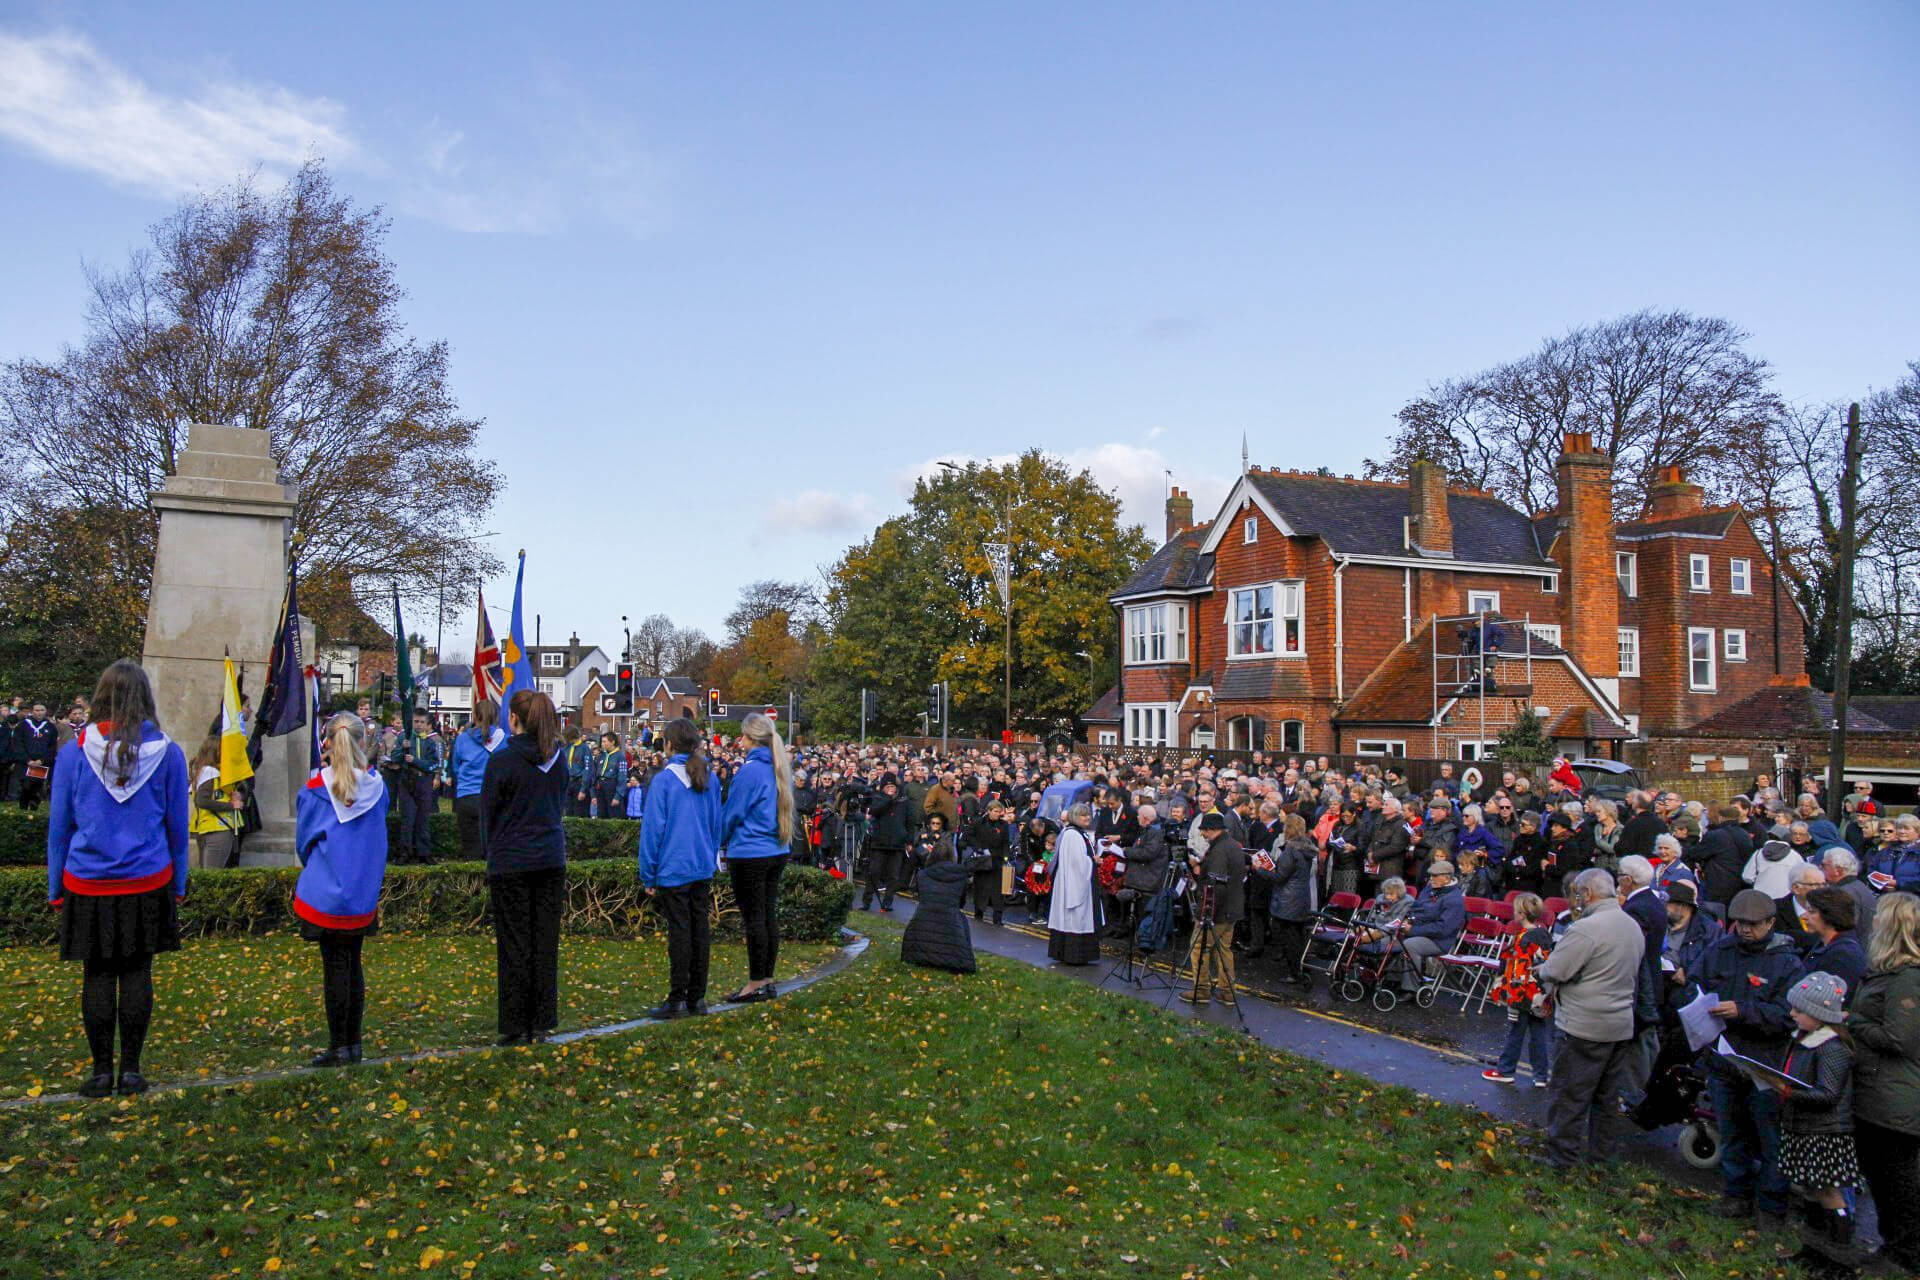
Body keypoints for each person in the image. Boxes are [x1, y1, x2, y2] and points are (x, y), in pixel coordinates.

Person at [45, 662, 189, 1098]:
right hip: (147, 877)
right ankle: (131, 1071)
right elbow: (177, 827)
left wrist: (55, 886)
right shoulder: (168, 753)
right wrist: (179, 882)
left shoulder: (74, 752)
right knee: (138, 972)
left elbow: (59, 827)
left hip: (88, 879)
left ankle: (100, 1072)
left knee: (97, 975)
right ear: (145, 696)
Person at [1698, 888, 1804, 1224]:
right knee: (1732, 1133)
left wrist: (1743, 1011)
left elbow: (1789, 1016)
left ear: (1770, 923)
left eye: (1753, 924)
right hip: (1724, 1060)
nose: (1744, 929)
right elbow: (1695, 983)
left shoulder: (1787, 962)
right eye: (1740, 923)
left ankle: (1771, 1207)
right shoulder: (1720, 950)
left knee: (1770, 1139)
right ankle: (1736, 1196)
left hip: (1764, 1064)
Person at [294, 713, 390, 1068]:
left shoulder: (314, 790)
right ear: (362, 742)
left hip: (326, 894)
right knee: (353, 965)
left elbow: (303, 842)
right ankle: (354, 1043)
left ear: (329, 744)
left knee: (334, 968)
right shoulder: (378, 788)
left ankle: (338, 1046)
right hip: (362, 892)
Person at [1531, 868, 1643, 1169]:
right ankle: (1600, 1159)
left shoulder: (1585, 929)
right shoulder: (1631, 925)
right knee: (1606, 1099)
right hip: (1619, 1023)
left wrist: (1540, 970)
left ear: (1587, 894)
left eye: (1576, 893)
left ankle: (1561, 1158)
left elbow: (1556, 970)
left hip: (1584, 1024)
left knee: (1569, 1095)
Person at [481, 689, 569, 1046]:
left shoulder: (503, 761)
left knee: (515, 943)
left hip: (512, 860)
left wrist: (492, 851)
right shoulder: (558, 760)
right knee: (544, 942)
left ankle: (516, 1023)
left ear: (514, 719)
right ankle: (541, 1021)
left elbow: (489, 814)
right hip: (549, 858)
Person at [1848, 892, 1920, 1275]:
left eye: (1879, 916)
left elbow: (1898, 1038)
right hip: (1878, 1092)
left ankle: (1904, 1256)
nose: (1872, 920)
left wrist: (1853, 1022)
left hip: (1895, 1100)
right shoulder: (1887, 973)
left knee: (1898, 1183)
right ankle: (1893, 1249)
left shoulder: (1908, 979)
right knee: (1882, 1178)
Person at [1774, 972, 1860, 1272]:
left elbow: (1828, 1094)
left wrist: (1788, 1092)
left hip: (1824, 1133)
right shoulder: (1804, 1039)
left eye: (1799, 1010)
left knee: (1828, 1192)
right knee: (1812, 1190)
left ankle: (1839, 1258)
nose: (1792, 1013)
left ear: (1819, 1014)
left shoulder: (1832, 1047)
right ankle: (1812, 1251)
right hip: (1803, 1127)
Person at [638, 717, 722, 1019]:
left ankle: (677, 998)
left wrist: (648, 872)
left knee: (680, 934)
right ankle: (697, 998)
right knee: (700, 931)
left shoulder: (664, 780)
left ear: (669, 744)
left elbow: (653, 830)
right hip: (701, 865)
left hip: (674, 867)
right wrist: (711, 856)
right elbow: (717, 823)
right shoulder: (710, 777)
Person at [718, 712, 791, 1005]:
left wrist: (716, 841)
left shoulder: (750, 771)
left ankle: (756, 981)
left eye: (742, 735)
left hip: (750, 851)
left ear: (750, 738)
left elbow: (733, 813)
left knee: (755, 919)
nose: (739, 740)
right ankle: (767, 978)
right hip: (776, 850)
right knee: (768, 915)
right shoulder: (777, 766)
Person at [1483, 892, 1554, 1087]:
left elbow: (1518, 971)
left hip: (1522, 993)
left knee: (1516, 1032)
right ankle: (1540, 1075)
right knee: (1538, 1033)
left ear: (1522, 914)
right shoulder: (1544, 934)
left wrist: (1507, 993)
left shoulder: (1523, 939)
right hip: (1539, 992)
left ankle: (1505, 1070)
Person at [1180, 811, 1247, 1002]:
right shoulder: (1233, 845)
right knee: (1224, 949)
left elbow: (1215, 885)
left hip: (1217, 910)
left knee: (1199, 947)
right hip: (1233, 907)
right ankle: (1227, 991)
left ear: (1212, 829)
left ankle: (1201, 989)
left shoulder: (1218, 851)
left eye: (1204, 831)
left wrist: (1205, 914)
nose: (1202, 835)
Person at [899, 825, 977, 974]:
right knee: (961, 919)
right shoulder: (961, 876)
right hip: (951, 926)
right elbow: (960, 903)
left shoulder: (923, 874)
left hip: (922, 925)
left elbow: (922, 896)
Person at [1255, 813, 1316, 988]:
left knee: (1288, 938)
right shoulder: (1306, 849)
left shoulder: (1290, 851)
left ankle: (1294, 972)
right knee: (1297, 936)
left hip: (1288, 900)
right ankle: (1300, 968)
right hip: (1300, 898)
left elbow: (1279, 876)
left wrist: (1260, 869)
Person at [1398, 859, 1465, 996]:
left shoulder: (1454, 899)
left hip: (1439, 941)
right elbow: (1417, 907)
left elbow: (1442, 929)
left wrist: (1413, 930)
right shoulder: (1430, 888)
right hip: (1419, 929)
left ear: (1446, 878)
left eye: (1435, 876)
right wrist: (1406, 918)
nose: (1431, 878)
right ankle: (1392, 979)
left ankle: (1411, 989)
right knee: (1391, 935)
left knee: (1410, 945)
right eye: (1431, 875)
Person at [1048, 803, 1102, 966]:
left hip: (1072, 881)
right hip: (1073, 884)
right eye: (1083, 815)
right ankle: (1074, 955)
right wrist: (1092, 860)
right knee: (1076, 919)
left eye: (1088, 815)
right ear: (1074, 817)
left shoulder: (1075, 833)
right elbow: (1077, 863)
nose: (1087, 818)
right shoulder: (1073, 835)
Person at [449, 700, 504, 861]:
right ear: (496, 716)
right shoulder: (503, 740)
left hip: (466, 796)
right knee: (493, 850)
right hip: (492, 796)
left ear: (474, 716)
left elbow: (456, 767)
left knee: (470, 850)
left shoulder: (462, 739)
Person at [387, 708, 442, 861]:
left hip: (423, 782)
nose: (418, 725)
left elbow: (433, 765)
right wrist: (402, 750)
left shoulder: (429, 742)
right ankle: (405, 853)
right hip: (407, 781)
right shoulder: (403, 737)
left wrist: (416, 761)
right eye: (416, 721)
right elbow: (394, 758)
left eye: (422, 722)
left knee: (423, 819)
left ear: (427, 724)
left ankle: (424, 853)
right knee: (408, 818)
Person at [186, 731, 244, 870]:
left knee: (207, 873)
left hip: (206, 829)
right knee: (212, 873)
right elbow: (202, 801)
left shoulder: (200, 772)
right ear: (216, 752)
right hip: (217, 829)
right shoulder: (210, 772)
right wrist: (231, 805)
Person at [964, 798, 1011, 925]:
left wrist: (1006, 858)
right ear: (989, 811)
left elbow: (1006, 843)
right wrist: (978, 848)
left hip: (997, 860)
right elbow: (968, 836)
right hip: (983, 860)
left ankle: (997, 918)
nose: (998, 814)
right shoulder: (979, 822)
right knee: (980, 887)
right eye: (995, 811)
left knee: (998, 891)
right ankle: (978, 913)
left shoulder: (1003, 825)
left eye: (999, 812)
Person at [1820, 847, 1878, 949]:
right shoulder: (1858, 886)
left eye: (1824, 865)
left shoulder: (1844, 893)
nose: (1820, 868)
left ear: (1838, 870)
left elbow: (1842, 930)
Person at [17, 702, 58, 811]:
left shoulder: (51, 727)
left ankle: (34, 809)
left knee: (37, 787)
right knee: (25, 787)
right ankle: (23, 809)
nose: (39, 713)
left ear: (46, 711)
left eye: (42, 710)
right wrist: (27, 760)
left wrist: (42, 760)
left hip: (42, 764)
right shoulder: (22, 725)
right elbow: (17, 744)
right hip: (26, 763)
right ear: (32, 711)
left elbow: (52, 747)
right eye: (37, 710)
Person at [592, 731, 628, 822]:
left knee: (614, 816)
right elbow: (595, 775)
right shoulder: (601, 756)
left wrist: (617, 796)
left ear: (612, 742)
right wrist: (593, 794)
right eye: (602, 741)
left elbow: (622, 778)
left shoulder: (620, 757)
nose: (602, 744)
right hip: (600, 787)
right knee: (601, 816)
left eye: (605, 741)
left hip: (612, 787)